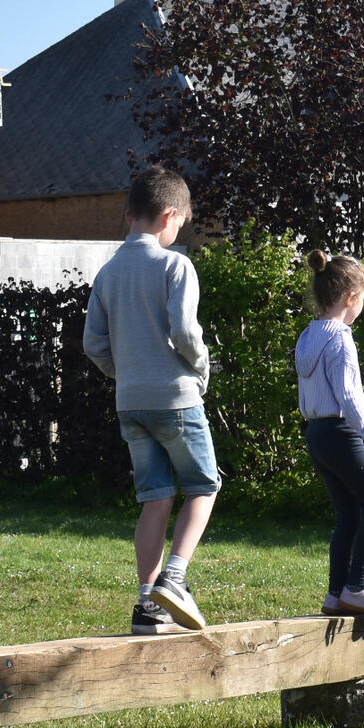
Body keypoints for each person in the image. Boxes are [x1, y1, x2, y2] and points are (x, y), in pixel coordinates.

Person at [84, 166, 217, 636]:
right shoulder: (175, 265)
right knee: (203, 487)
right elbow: (184, 331)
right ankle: (175, 580)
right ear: (170, 216)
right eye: (180, 223)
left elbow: (94, 344)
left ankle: (148, 603)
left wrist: (126, 374)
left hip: (131, 400)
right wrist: (200, 366)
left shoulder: (108, 273)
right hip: (176, 397)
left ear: (127, 215)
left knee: (154, 497)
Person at [296, 251, 364, 616]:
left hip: (316, 434)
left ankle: (335, 594)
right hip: (341, 432)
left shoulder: (308, 335)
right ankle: (357, 587)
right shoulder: (341, 338)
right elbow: (348, 394)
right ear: (350, 299)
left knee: (348, 515)